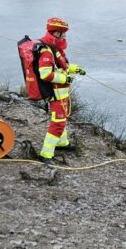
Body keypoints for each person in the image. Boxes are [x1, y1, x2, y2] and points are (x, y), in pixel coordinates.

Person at [35, 17, 85, 165]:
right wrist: (66, 80)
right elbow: (45, 74)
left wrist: (75, 69)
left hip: (61, 94)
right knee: (58, 124)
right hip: (55, 95)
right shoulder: (46, 51)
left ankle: (62, 143)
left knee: (62, 120)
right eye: (63, 34)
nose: (65, 37)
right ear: (56, 33)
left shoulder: (55, 49)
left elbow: (62, 66)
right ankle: (46, 153)